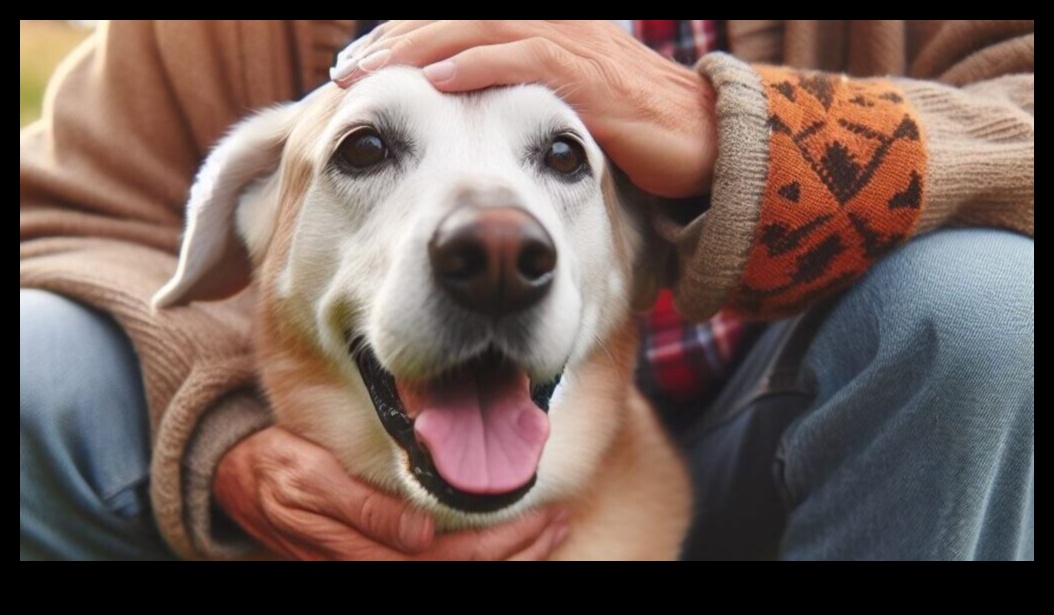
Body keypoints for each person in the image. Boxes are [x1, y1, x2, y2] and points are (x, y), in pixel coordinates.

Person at [20, 20, 1033, 561]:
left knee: (989, 308)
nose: (491, 244)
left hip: (802, 441)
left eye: (559, 157)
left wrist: (744, 136)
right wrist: (219, 427)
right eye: (369, 149)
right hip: (317, 496)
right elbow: (59, 217)